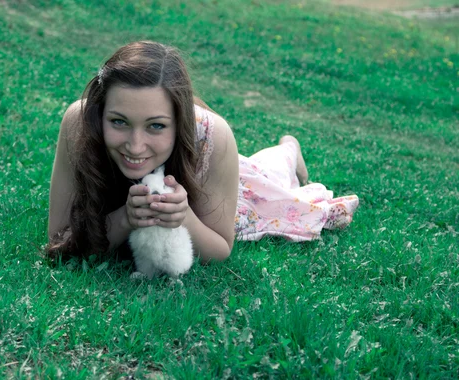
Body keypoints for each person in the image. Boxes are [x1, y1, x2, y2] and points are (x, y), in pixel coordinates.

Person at [46, 40, 359, 264]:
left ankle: (290, 149)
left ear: (180, 121)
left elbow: (220, 247)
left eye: (156, 126)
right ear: (100, 112)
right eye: (119, 121)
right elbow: (59, 238)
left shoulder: (212, 135)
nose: (135, 145)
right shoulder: (80, 123)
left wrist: (185, 218)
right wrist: (126, 218)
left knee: (268, 180)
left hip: (211, 174)